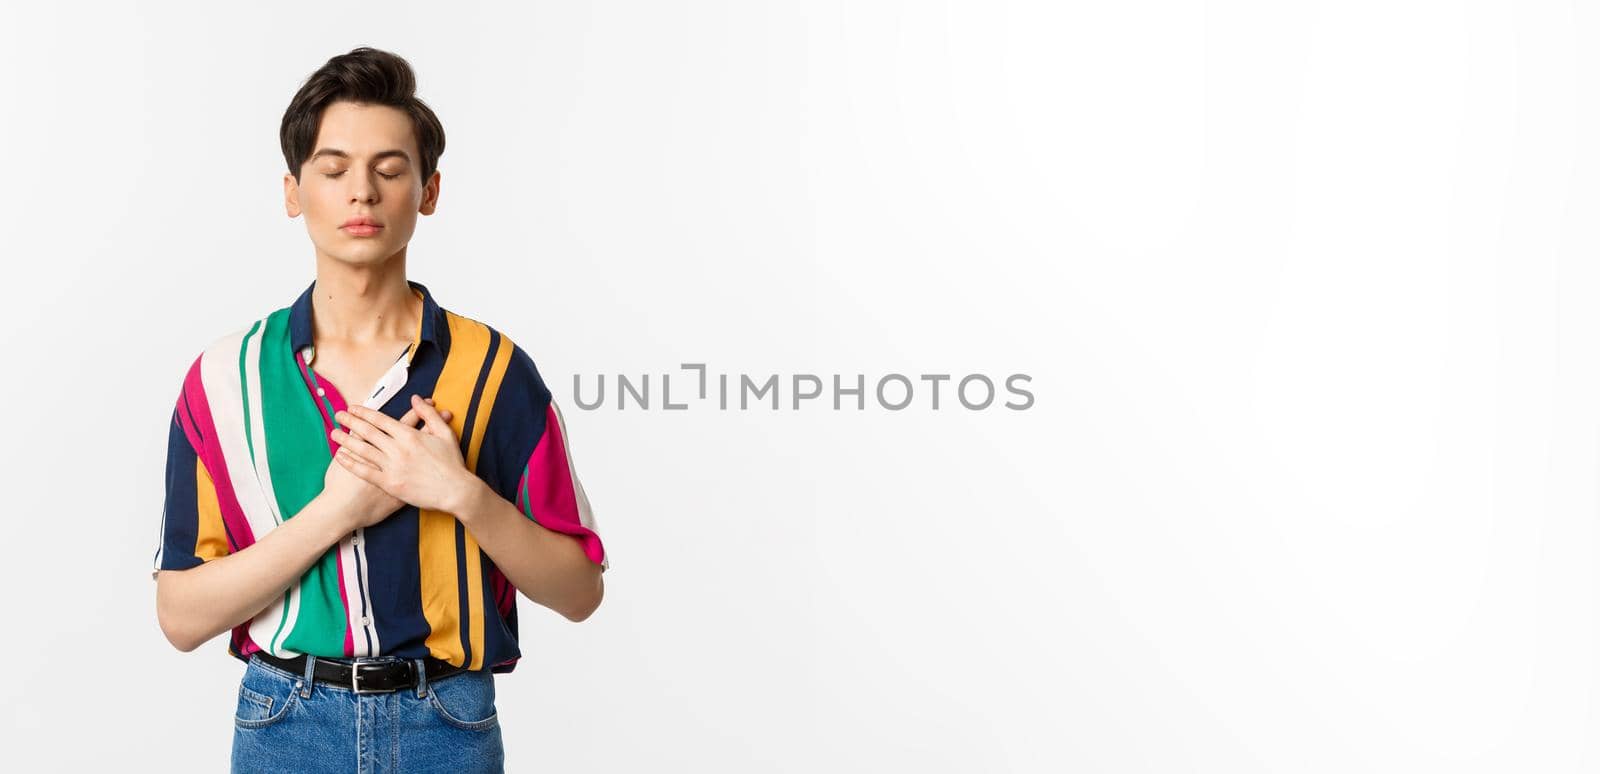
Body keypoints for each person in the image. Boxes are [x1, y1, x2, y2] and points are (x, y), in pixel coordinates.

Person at [151, 47, 609, 774]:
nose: (361, 192)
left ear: (428, 192)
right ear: (293, 191)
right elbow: (179, 617)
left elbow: (580, 590)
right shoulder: (222, 381)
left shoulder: (493, 371)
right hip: (284, 725)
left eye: (390, 171)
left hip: (448, 723)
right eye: (333, 171)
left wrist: (458, 493)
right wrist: (336, 513)